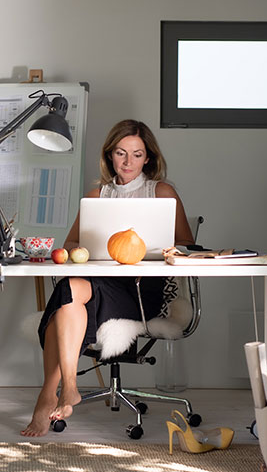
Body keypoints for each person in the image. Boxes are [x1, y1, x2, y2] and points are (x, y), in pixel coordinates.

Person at [20, 119, 195, 437]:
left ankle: (48, 396)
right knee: (69, 288)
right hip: (103, 283)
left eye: (137, 154)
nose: (128, 162)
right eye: (121, 153)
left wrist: (168, 248)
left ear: (148, 157)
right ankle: (68, 386)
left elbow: (187, 244)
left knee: (65, 302)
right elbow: (70, 243)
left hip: (142, 292)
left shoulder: (161, 192)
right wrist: (92, 248)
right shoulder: (98, 194)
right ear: (110, 155)